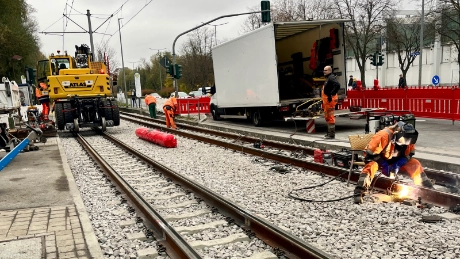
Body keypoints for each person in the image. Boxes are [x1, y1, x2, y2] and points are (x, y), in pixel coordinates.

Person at [353, 121, 434, 204]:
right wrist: (383, 164)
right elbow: (370, 155)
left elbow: (410, 153)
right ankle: (359, 192)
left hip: (395, 161)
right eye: (404, 140)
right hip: (379, 159)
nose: (406, 143)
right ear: (397, 133)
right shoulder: (383, 136)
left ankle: (428, 189)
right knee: (371, 166)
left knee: (415, 164)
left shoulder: (409, 138)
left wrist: (400, 163)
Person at [322, 66, 340, 139]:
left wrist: (331, 94)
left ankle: (331, 134)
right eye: (324, 70)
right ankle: (329, 133)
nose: (324, 72)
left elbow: (337, 85)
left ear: (329, 71)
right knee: (327, 117)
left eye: (325, 70)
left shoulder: (331, 78)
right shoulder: (329, 78)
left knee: (330, 117)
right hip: (327, 101)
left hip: (330, 101)